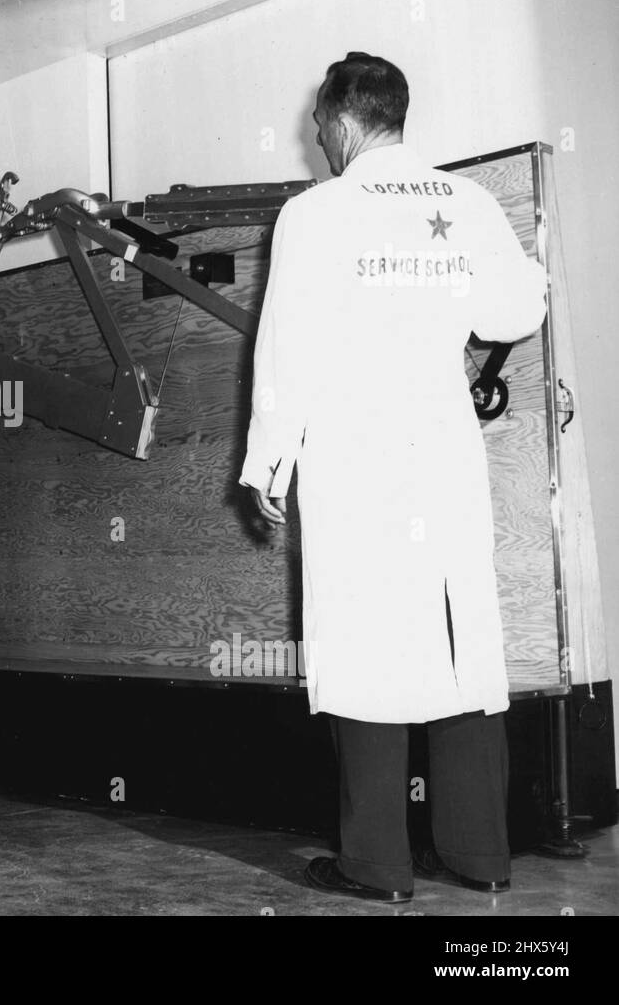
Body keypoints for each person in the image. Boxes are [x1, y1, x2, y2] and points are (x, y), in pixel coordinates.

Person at [240, 52, 548, 903]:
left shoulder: (314, 214)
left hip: (355, 456)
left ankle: (378, 865)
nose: (316, 139)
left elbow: (284, 353)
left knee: (364, 642)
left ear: (341, 124)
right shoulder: (469, 202)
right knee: (461, 643)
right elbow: (518, 310)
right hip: (444, 451)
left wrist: (268, 459)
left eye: (317, 127)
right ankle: (479, 855)